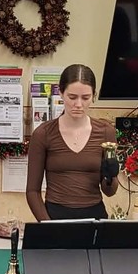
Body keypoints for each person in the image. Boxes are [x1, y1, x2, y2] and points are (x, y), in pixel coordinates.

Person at [26, 64, 118, 221]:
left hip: (94, 216)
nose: (79, 104)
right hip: (55, 216)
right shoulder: (43, 134)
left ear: (94, 96)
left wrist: (110, 177)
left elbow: (109, 192)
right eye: (72, 97)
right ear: (61, 93)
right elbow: (32, 191)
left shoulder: (106, 132)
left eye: (86, 98)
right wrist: (48, 226)